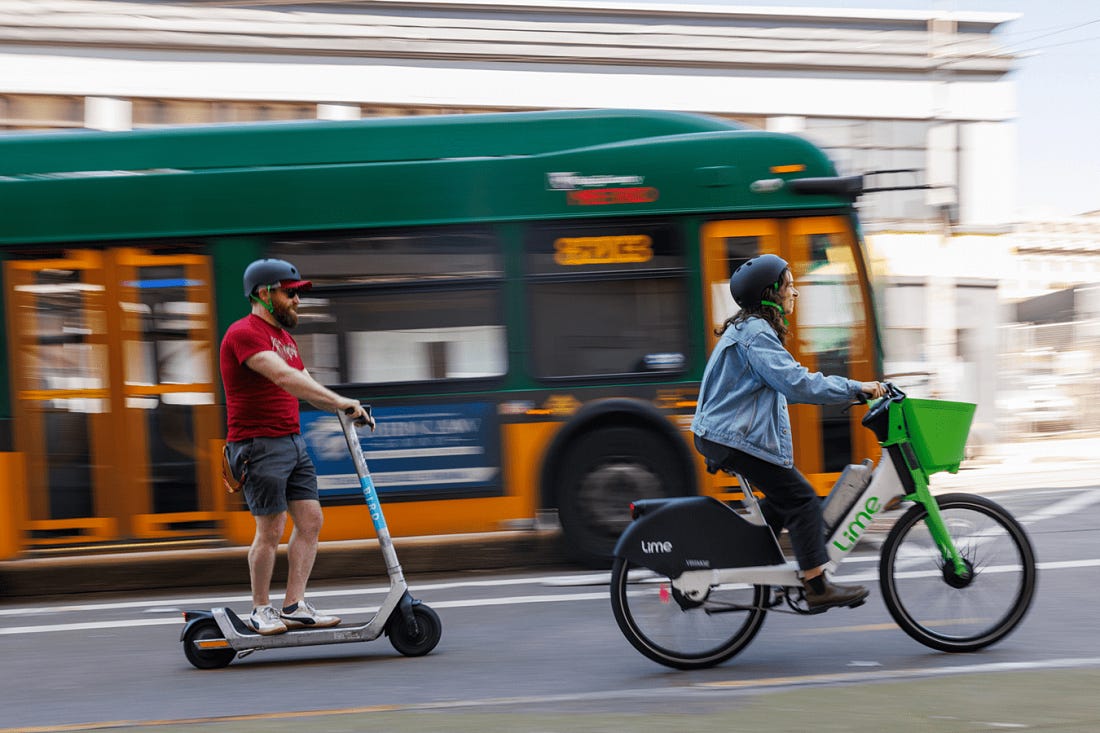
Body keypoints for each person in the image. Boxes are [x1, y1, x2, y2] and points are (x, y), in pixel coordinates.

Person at [690, 253, 886, 611]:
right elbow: (796, 383)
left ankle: (754, 558)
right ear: (770, 294)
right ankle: (816, 585)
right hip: (729, 436)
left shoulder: (750, 329)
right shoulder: (756, 334)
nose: (795, 292)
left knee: (784, 499)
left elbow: (783, 388)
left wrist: (845, 392)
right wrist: (856, 387)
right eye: (789, 286)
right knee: (802, 500)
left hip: (724, 433)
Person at [220, 258, 373, 635]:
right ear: (263, 294)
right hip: (257, 444)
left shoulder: (285, 340)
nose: (297, 300)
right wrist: (340, 401)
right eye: (290, 293)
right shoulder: (244, 333)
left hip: (291, 440)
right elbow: (283, 377)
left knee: (311, 521)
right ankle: (260, 609)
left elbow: (307, 385)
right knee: (270, 529)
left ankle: (294, 605)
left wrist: (344, 408)